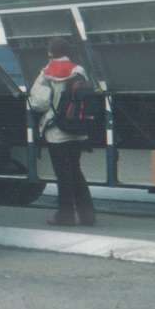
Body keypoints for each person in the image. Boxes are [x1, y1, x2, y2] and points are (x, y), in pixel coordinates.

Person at [28, 37, 97, 227]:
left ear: (50, 53)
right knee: (76, 170)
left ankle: (65, 215)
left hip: (57, 132)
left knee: (63, 175)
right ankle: (88, 215)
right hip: (77, 129)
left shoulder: (46, 73)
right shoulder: (79, 70)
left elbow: (38, 103)